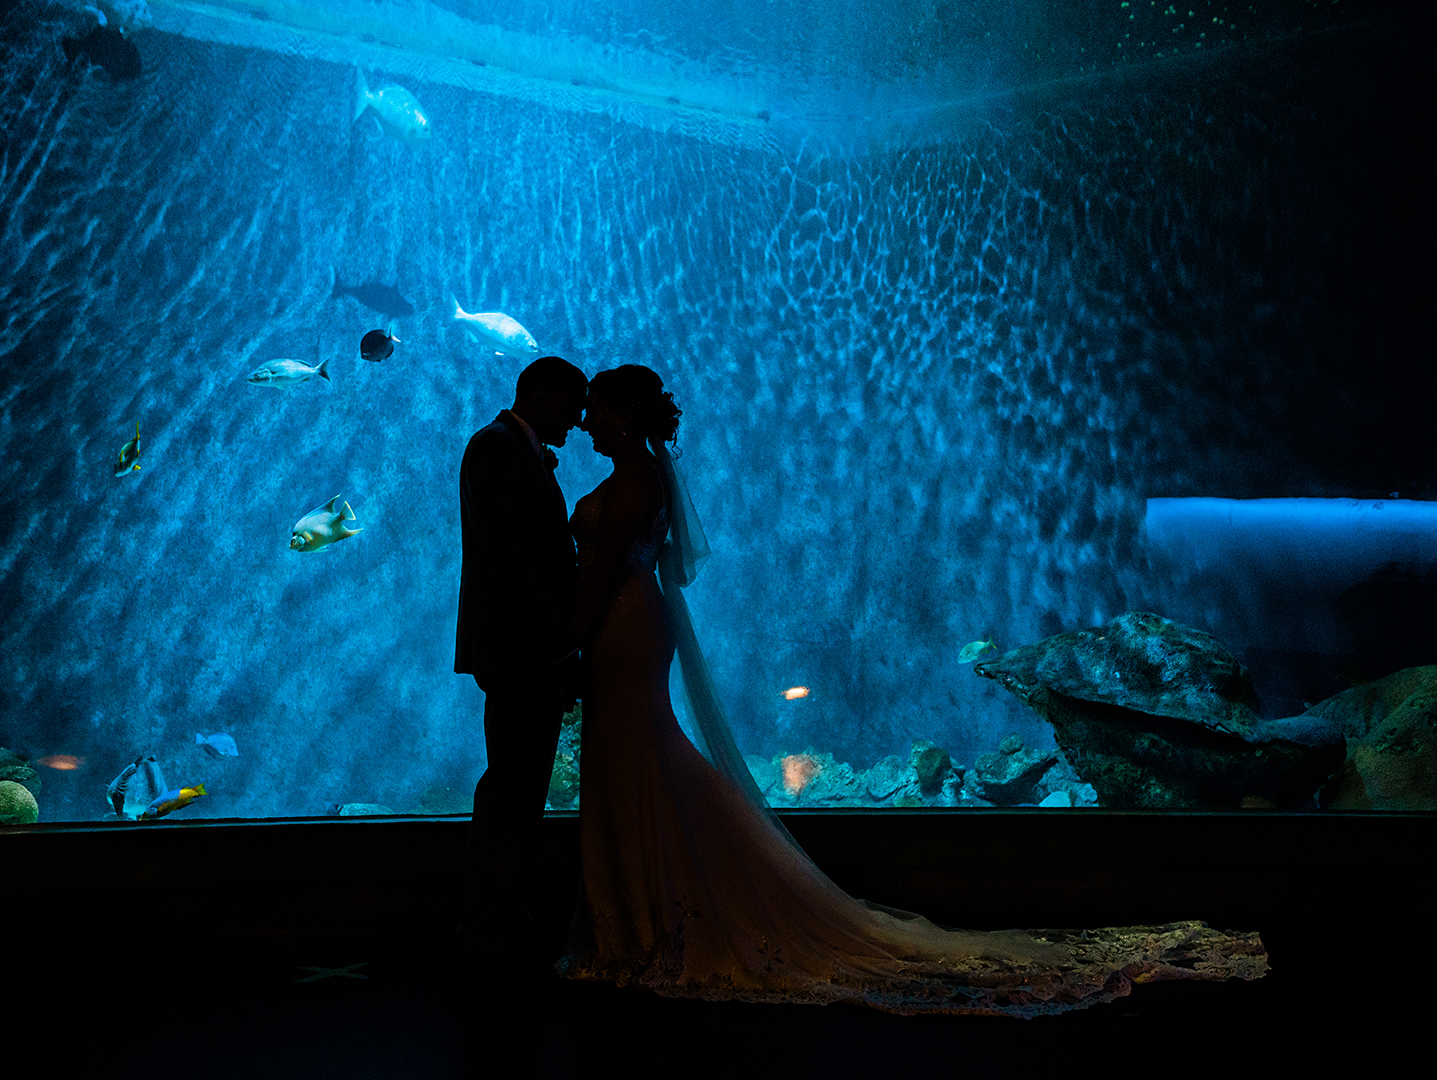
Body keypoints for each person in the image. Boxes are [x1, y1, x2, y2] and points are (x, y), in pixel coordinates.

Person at [557, 364, 1268, 1016]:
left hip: (621, 628)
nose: (586, 420)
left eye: (594, 409)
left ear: (623, 415)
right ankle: (654, 904)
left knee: (639, 758)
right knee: (641, 758)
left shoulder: (631, 483)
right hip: (633, 624)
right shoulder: (644, 474)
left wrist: (565, 639)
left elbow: (599, 573)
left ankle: (648, 912)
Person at [455, 355, 588, 964]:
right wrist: (560, 651)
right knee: (511, 789)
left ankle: (501, 913)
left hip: (522, 654)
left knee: (521, 787)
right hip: (518, 656)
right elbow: (510, 562)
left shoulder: (514, 448)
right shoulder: (495, 448)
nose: (581, 418)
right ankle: (486, 926)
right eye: (574, 403)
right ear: (543, 395)